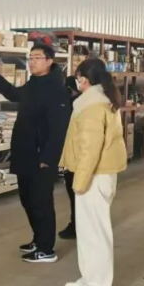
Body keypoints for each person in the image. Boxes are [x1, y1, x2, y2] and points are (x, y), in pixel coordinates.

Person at [0, 42, 71, 263]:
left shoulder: (56, 90)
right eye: (30, 58)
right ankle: (38, 239)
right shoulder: (34, 84)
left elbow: (59, 129)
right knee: (28, 199)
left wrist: (48, 158)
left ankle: (46, 249)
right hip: (26, 152)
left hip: (42, 157)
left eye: (37, 58)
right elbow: (13, 94)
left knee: (42, 202)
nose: (32, 62)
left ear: (49, 61)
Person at [59, 58, 127, 286]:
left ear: (84, 79)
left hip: (94, 176)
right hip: (97, 174)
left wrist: (80, 181)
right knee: (87, 232)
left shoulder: (92, 106)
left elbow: (90, 148)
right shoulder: (100, 100)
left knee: (96, 234)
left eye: (77, 76)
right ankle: (89, 279)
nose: (75, 81)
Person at [58, 74, 82, 240]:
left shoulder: (76, 105)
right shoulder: (80, 103)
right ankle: (77, 225)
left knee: (75, 193)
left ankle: (76, 226)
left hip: (75, 157)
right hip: (73, 156)